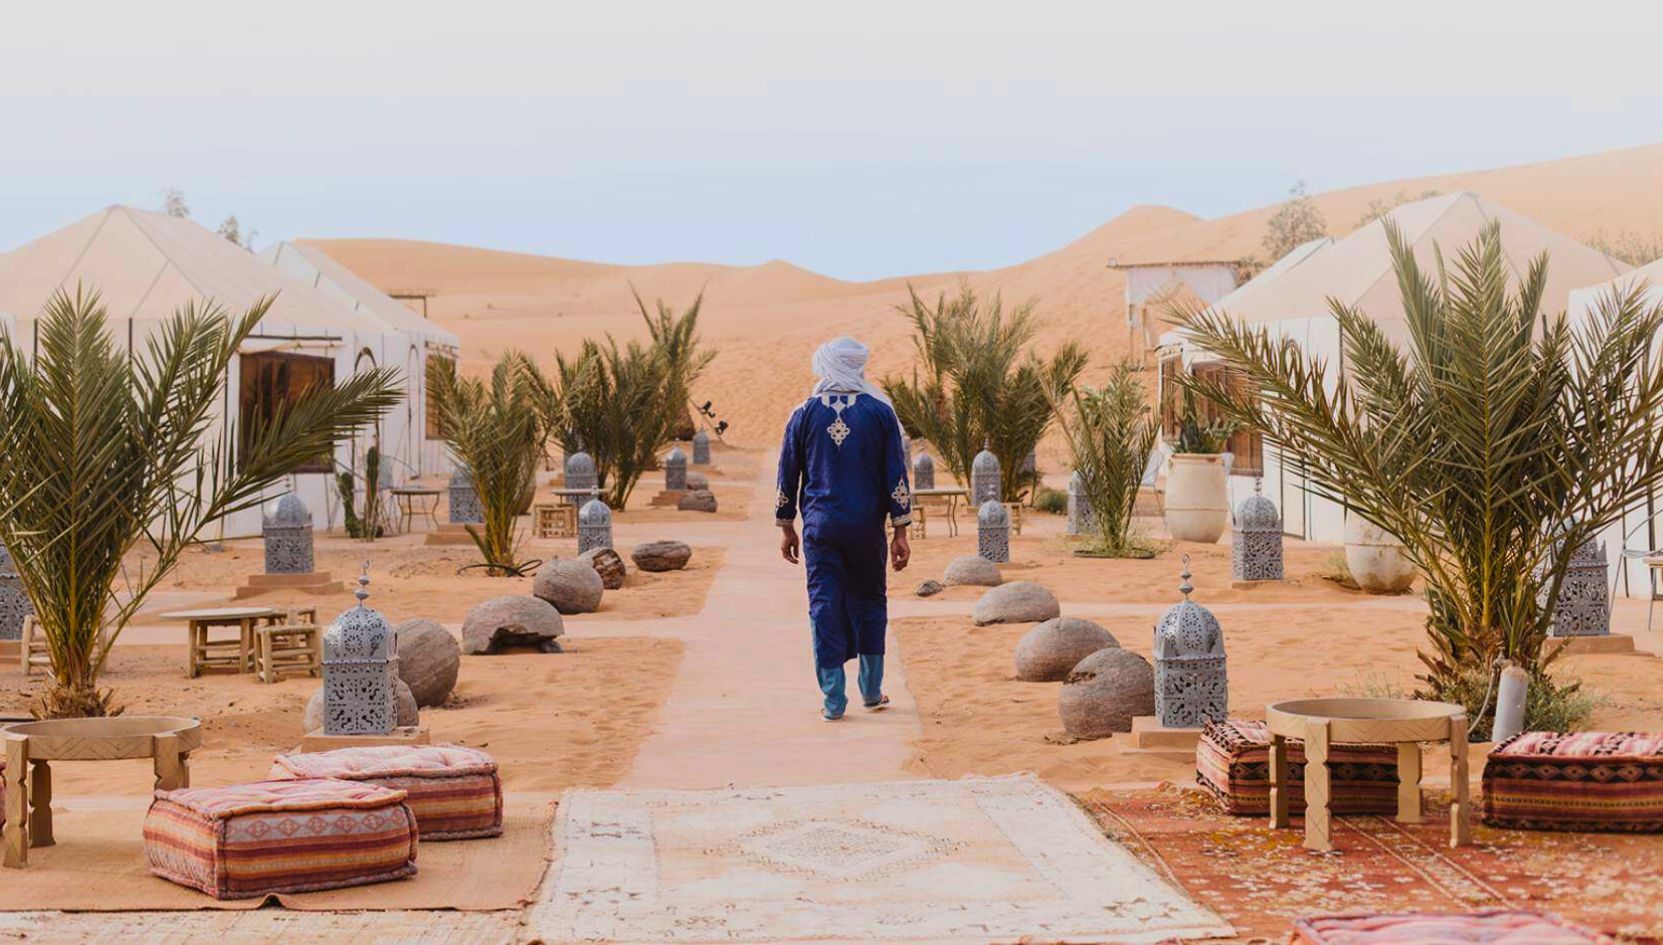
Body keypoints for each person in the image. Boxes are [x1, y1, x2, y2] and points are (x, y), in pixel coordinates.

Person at [776, 337, 912, 721]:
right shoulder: (880, 412)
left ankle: (833, 702)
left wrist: (786, 526)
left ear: (826, 366)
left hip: (821, 528)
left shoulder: (803, 413)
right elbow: (895, 475)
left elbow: (787, 474)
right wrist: (900, 529)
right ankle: (871, 692)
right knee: (871, 601)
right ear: (858, 367)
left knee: (823, 605)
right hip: (867, 528)